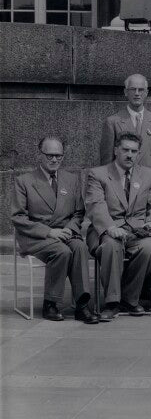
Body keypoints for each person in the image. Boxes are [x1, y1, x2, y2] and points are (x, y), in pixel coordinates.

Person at [11, 137, 98, 324]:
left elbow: (79, 212)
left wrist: (68, 228)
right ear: (39, 155)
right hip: (36, 236)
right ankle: (50, 303)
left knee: (80, 247)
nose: (54, 160)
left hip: (65, 232)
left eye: (59, 155)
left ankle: (82, 305)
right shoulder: (24, 181)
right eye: (50, 155)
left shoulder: (72, 179)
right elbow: (18, 217)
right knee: (62, 251)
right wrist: (49, 232)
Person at [85, 132, 151, 320]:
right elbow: (96, 205)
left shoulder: (148, 175)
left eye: (134, 151)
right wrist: (110, 227)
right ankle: (111, 303)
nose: (129, 155)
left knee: (150, 248)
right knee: (112, 246)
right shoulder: (98, 174)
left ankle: (129, 298)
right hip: (109, 229)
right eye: (125, 150)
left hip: (137, 231)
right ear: (115, 150)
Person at [99, 73, 151, 181]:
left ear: (146, 93)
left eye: (141, 90)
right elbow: (106, 162)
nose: (137, 93)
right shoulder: (113, 122)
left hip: (150, 184)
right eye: (133, 89)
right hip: (122, 183)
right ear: (126, 92)